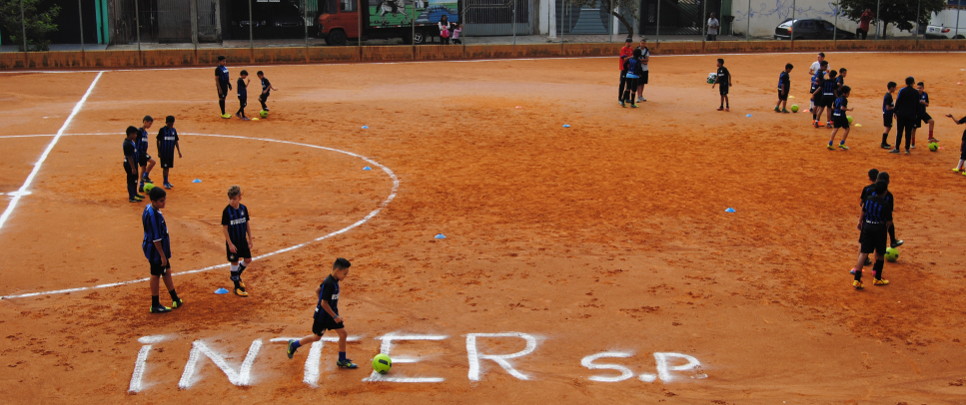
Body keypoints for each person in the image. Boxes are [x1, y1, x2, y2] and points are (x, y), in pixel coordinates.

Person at [287, 258, 358, 369]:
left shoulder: (333, 280)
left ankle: (342, 360)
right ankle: (294, 344)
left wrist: (331, 312)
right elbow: (324, 303)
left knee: (343, 334)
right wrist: (334, 316)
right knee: (316, 337)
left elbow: (317, 290)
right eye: (345, 273)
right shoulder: (329, 283)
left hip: (332, 313)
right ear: (338, 270)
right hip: (323, 316)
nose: (345, 276)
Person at [142, 186, 183, 313]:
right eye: (161, 201)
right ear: (154, 201)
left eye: (164, 200)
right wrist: (162, 256)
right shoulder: (154, 216)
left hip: (155, 248)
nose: (164, 203)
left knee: (166, 271)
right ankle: (155, 304)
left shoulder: (149, 208)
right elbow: (156, 239)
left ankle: (175, 298)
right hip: (156, 250)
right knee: (156, 274)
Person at [851, 172, 894, 290]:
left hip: (867, 227)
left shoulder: (869, 199)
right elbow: (889, 221)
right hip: (879, 228)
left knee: (864, 253)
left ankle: (857, 280)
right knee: (880, 253)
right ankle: (877, 278)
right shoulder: (885, 204)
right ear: (885, 192)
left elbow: (863, 211)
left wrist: (860, 222)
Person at [223, 185, 254, 297]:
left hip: (242, 240)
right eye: (230, 199)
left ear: (240, 197)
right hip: (233, 242)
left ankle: (236, 275)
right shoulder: (227, 211)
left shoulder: (243, 209)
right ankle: (237, 287)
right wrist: (230, 244)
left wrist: (250, 239)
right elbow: (225, 228)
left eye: (234, 199)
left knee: (248, 259)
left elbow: (247, 224)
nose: (232, 201)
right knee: (234, 262)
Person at [891, 76, 918, 155]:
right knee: (908, 132)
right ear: (913, 83)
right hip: (911, 115)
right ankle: (907, 149)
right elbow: (917, 105)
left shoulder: (902, 90)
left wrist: (895, 111)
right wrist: (916, 115)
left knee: (899, 131)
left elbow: (898, 101)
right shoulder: (915, 92)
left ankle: (897, 148)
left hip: (901, 114)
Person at [156, 116, 182, 189]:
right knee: (165, 167)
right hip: (164, 152)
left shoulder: (174, 130)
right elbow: (158, 141)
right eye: (170, 123)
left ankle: (167, 181)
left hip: (171, 153)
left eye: (172, 123)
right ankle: (165, 182)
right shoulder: (162, 130)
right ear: (167, 123)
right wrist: (159, 151)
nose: (171, 125)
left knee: (168, 167)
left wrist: (179, 151)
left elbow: (176, 141)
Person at [827, 85, 853, 150]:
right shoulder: (844, 99)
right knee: (847, 129)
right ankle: (842, 143)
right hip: (841, 115)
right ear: (845, 93)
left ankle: (830, 143)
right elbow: (842, 108)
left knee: (835, 129)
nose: (849, 94)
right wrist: (849, 109)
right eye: (848, 93)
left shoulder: (837, 98)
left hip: (835, 115)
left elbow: (833, 107)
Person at [136, 116, 157, 193]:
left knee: (143, 167)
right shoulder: (139, 131)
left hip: (143, 152)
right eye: (149, 123)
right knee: (153, 162)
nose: (150, 125)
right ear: (145, 122)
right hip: (140, 152)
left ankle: (141, 186)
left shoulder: (145, 132)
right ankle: (145, 176)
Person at [123, 126, 143, 203]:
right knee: (131, 180)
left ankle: (135, 193)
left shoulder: (131, 141)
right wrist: (133, 168)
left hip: (133, 164)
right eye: (135, 134)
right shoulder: (127, 144)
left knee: (135, 179)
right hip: (130, 165)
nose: (136, 135)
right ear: (130, 134)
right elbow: (129, 157)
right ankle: (131, 197)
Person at [808, 52, 829, 119]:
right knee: (817, 104)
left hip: (817, 86)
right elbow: (817, 79)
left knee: (817, 103)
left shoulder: (819, 72)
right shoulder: (818, 71)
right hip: (818, 88)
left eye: (819, 57)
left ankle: (815, 119)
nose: (818, 58)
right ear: (822, 66)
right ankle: (815, 119)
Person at [880, 82, 896, 149]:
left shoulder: (888, 95)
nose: (895, 89)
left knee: (888, 127)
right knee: (887, 128)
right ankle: (883, 143)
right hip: (887, 114)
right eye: (894, 87)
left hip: (888, 114)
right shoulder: (888, 96)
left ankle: (884, 142)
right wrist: (894, 108)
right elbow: (887, 107)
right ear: (891, 87)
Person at [617, 38, 633, 104]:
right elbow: (625, 58)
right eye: (627, 42)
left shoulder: (631, 49)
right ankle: (620, 98)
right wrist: (631, 57)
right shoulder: (623, 49)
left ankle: (627, 98)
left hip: (629, 69)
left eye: (630, 42)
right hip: (624, 69)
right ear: (625, 43)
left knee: (629, 84)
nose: (629, 43)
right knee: (622, 84)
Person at [635, 37, 651, 102]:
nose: (642, 44)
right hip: (638, 69)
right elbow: (636, 59)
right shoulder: (637, 50)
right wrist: (643, 61)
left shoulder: (646, 50)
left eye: (644, 43)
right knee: (638, 83)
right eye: (641, 43)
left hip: (645, 69)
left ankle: (641, 95)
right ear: (639, 43)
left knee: (643, 83)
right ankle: (638, 96)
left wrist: (641, 60)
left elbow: (647, 60)